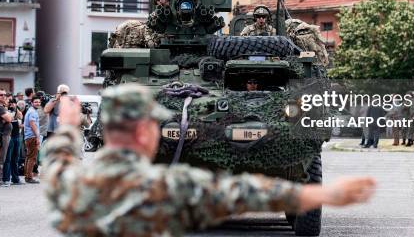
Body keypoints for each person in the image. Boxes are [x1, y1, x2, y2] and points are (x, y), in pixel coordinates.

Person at [43, 84, 376, 236]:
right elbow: (243, 192)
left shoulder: (68, 184)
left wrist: (68, 128)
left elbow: (58, 157)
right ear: (146, 133)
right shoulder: (167, 188)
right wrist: (325, 195)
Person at [0, 90, 13, 186]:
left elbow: (14, 116)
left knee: (4, 158)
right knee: (0, 158)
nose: (4, 96)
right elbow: (9, 118)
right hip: (2, 134)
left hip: (6, 134)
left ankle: (0, 179)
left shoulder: (3, 107)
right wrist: (8, 117)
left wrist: (8, 117)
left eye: (5, 95)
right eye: (1, 95)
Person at [2, 99, 23, 186]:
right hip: (9, 137)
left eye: (13, 103)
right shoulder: (5, 111)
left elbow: (20, 117)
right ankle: (6, 179)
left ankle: (16, 178)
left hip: (16, 137)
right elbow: (6, 120)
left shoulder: (16, 111)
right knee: (8, 159)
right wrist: (8, 109)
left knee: (16, 159)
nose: (11, 105)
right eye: (10, 103)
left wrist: (15, 108)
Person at [23, 99, 40, 184]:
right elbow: (32, 124)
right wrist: (37, 137)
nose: (38, 103)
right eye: (36, 102)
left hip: (28, 136)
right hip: (32, 136)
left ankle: (27, 176)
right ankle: (29, 177)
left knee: (29, 156)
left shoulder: (30, 110)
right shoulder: (32, 112)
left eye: (39, 102)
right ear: (32, 103)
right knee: (32, 157)